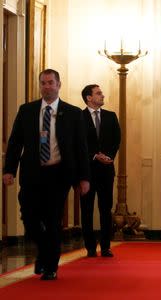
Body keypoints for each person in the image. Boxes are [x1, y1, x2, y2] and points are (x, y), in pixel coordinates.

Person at [2, 69, 90, 280]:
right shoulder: (27, 110)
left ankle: (50, 266)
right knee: (29, 217)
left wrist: (84, 178)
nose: (47, 86)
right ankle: (44, 252)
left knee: (52, 221)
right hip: (33, 174)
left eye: (51, 82)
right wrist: (9, 170)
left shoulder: (73, 113)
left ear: (59, 85)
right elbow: (15, 142)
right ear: (40, 85)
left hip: (59, 175)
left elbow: (81, 148)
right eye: (43, 83)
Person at [80, 84, 121, 257]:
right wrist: (95, 156)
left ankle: (105, 246)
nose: (102, 95)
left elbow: (116, 139)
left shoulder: (111, 117)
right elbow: (77, 143)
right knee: (87, 210)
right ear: (89, 98)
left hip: (106, 170)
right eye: (98, 93)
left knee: (105, 209)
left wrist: (108, 156)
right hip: (87, 171)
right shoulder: (78, 117)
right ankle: (90, 247)